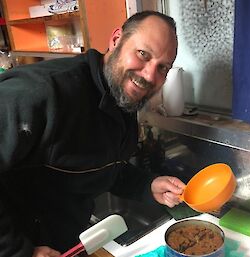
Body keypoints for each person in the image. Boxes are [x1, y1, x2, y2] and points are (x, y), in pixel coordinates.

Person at [0, 10, 186, 257]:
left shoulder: (120, 97)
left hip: (64, 244)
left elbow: (100, 166)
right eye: (143, 54)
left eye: (162, 67)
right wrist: (17, 251)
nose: (149, 75)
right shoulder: (40, 92)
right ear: (117, 39)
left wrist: (147, 185)